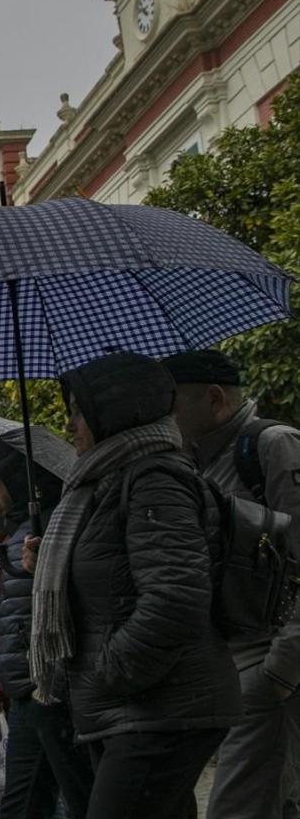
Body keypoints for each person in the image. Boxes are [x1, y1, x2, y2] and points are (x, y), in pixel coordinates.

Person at [27, 352, 240, 819]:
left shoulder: (154, 477)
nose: (69, 425)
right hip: (134, 709)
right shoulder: (104, 483)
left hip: (159, 707)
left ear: (113, 410)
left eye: (77, 411)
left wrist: (112, 671)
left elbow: (176, 596)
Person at [163, 350, 300, 819]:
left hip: (268, 661)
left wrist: (279, 670)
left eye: (171, 404)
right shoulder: (198, 462)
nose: (164, 418)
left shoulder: (271, 445)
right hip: (230, 666)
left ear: (215, 398)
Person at [0, 449, 93, 819]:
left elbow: (79, 604)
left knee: (80, 797)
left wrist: (49, 570)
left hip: (52, 686)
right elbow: (25, 609)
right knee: (21, 804)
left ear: (18, 480)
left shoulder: (54, 526)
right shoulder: (18, 534)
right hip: (26, 689)